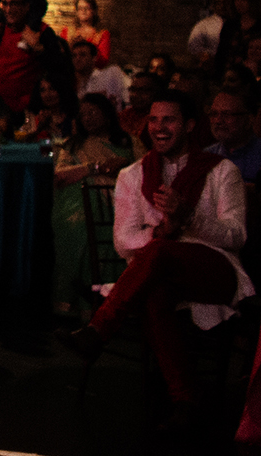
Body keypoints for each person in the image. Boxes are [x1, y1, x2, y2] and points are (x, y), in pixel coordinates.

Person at [65, 94, 253, 429]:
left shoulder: (222, 171)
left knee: (158, 251)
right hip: (157, 274)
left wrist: (187, 218)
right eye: (153, 120)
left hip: (215, 270)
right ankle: (185, 400)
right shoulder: (133, 175)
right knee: (155, 291)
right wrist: (160, 232)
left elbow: (236, 236)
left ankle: (99, 328)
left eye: (169, 120)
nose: (159, 127)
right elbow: (123, 241)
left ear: (190, 126)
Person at [52, 91, 133, 317]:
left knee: (108, 223)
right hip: (77, 201)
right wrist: (96, 167)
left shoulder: (127, 142)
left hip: (119, 201)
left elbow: (141, 170)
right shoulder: (75, 144)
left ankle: (112, 301)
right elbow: (59, 177)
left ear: (107, 115)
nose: (87, 118)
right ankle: (78, 303)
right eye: (83, 114)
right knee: (81, 224)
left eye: (92, 113)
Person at [211, 87, 261, 185]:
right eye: (214, 114)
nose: (218, 121)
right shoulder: (206, 156)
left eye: (227, 114)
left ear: (249, 120)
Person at [72, 38, 128, 108]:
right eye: (74, 56)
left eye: (83, 55)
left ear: (94, 58)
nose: (77, 59)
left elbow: (125, 102)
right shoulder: (71, 82)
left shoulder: (108, 76)